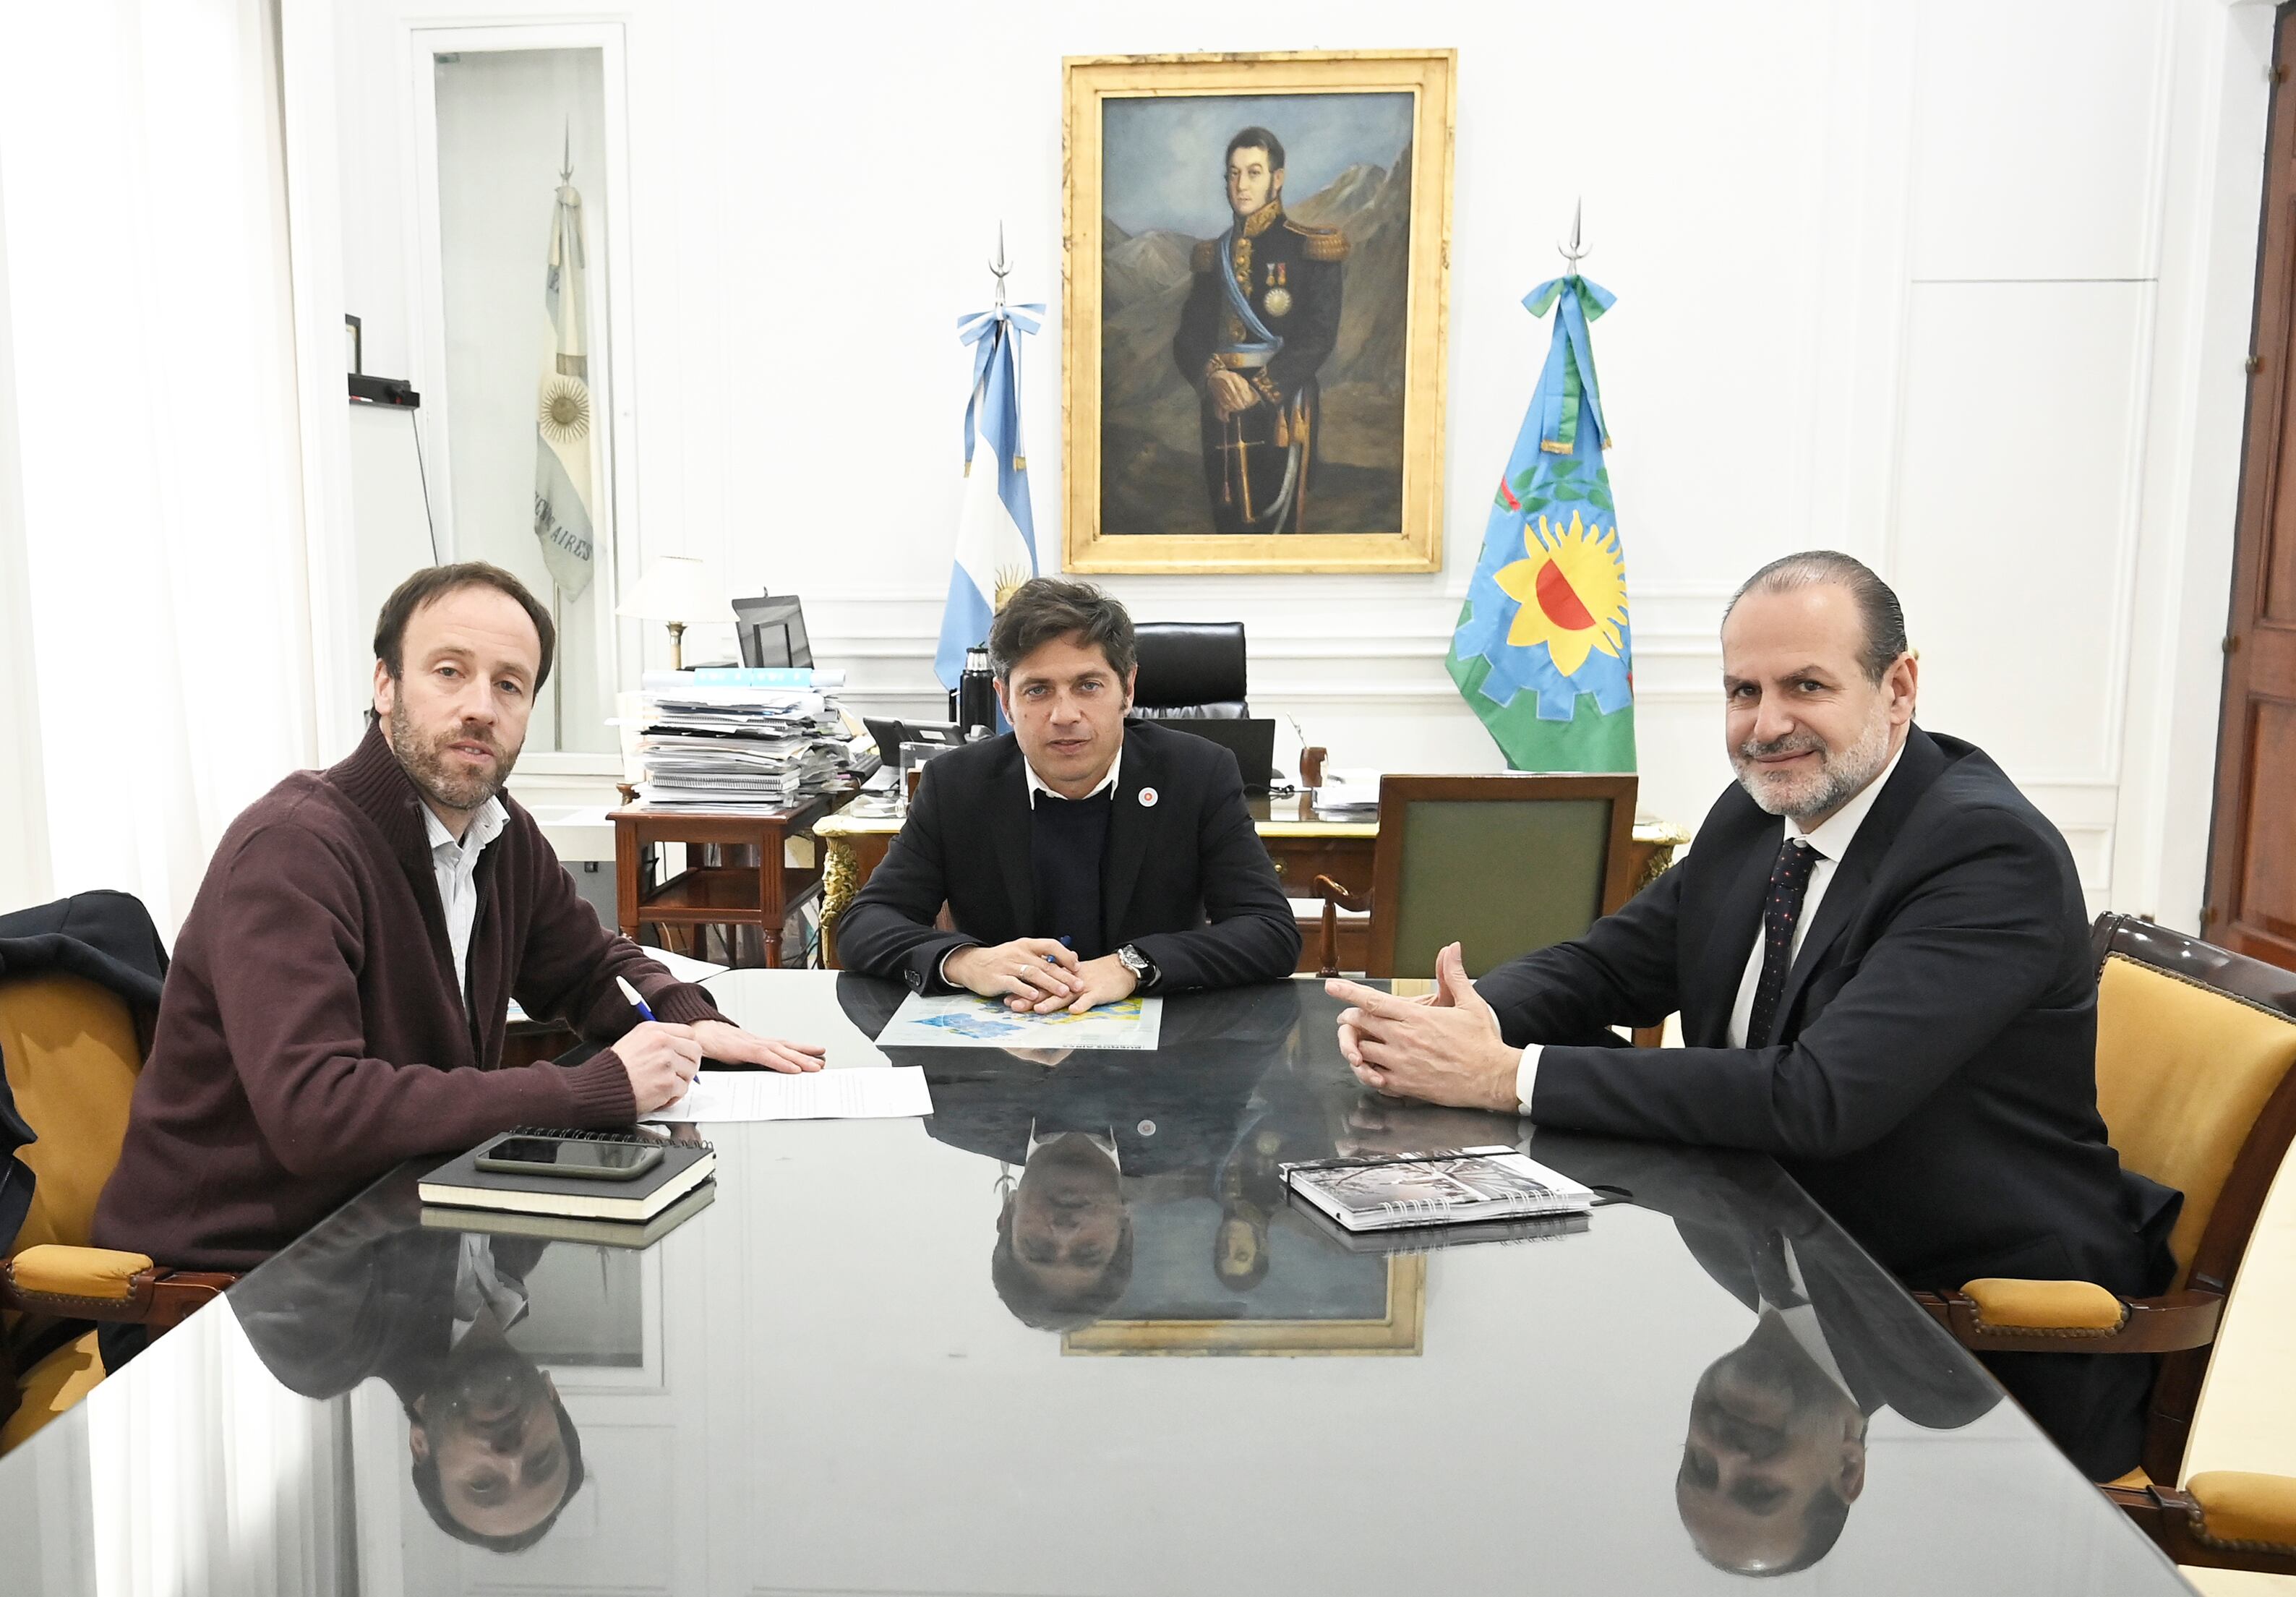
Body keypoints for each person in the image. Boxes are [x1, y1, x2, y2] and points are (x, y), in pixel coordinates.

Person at [1327, 550, 2180, 1481]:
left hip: (1968, 1335)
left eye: (1804, 686)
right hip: (1787, 1256)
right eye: (1741, 690)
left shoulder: (1984, 852)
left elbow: (1820, 1097)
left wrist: (1500, 1075)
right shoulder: (1757, 817)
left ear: (1897, 686)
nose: (1765, 725)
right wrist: (1451, 1019)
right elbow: (1604, 967)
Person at [94, 562, 825, 1289]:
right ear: (385, 686)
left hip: (390, 1236)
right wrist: (593, 1089)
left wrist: (684, 1015)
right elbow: (315, 1112)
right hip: (235, 1284)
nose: (481, 706)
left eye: (509, 684)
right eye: (449, 671)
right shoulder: (292, 849)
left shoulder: (498, 832)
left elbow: (587, 963)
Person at [837, 578, 1300, 1005]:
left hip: (1158, 1052)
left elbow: (1270, 932)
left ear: (1128, 688)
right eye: (1038, 690)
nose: (1065, 714)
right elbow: (867, 924)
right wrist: (965, 962)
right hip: (1008, 1049)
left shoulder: (1197, 774)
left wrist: (1131, 966)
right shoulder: (957, 785)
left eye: (1088, 686)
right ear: (1005, 701)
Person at [231, 1207, 591, 1553]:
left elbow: (300, 1204)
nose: (512, 1457)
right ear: (552, 1395)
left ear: (421, 1445)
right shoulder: (529, 1238)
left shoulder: (324, 1357)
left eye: (483, 1484)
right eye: (541, 1460)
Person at [1171, 126, 1346, 535]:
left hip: (1282, 406)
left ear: (1277, 179)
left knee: (1279, 528)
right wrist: (1213, 376)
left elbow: (1318, 336)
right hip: (1220, 405)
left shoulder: (1309, 250)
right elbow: (1188, 338)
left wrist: (1260, 388)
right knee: (1227, 523)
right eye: (1233, 174)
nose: (1241, 185)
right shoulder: (1213, 257)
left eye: (1253, 173)